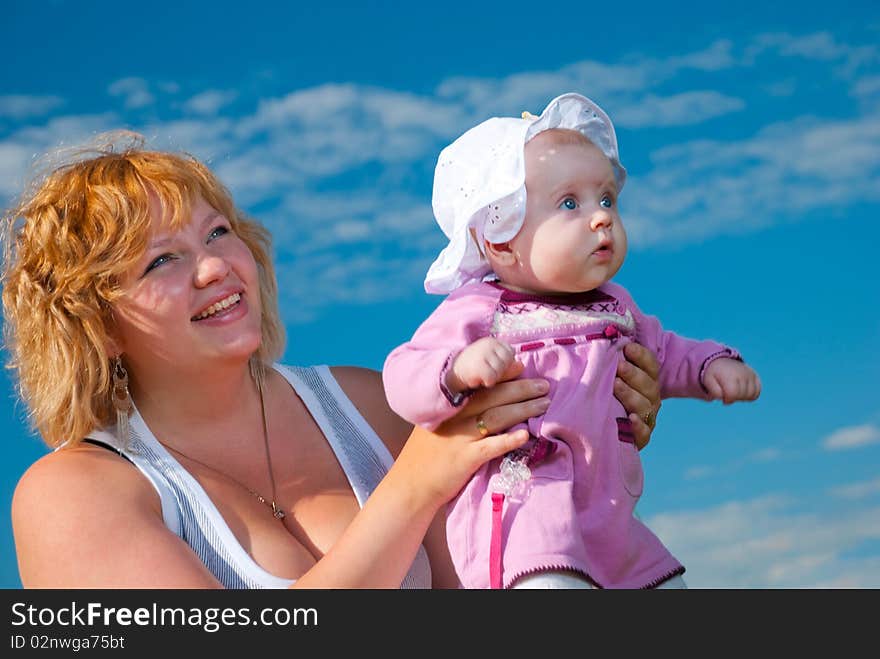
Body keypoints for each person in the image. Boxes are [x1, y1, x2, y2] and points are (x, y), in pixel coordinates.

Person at [1, 130, 664, 589]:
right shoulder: (72, 495)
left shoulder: (372, 403)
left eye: (219, 231)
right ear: (96, 324)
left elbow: (519, 564)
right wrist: (415, 485)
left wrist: (596, 421)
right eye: (161, 260)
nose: (214, 267)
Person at [382, 92, 762, 589]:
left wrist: (711, 365)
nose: (601, 217)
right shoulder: (480, 311)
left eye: (607, 199)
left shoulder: (617, 307)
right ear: (499, 237)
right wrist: (456, 370)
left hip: (611, 517)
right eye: (569, 203)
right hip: (530, 517)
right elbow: (402, 374)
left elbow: (665, 352)